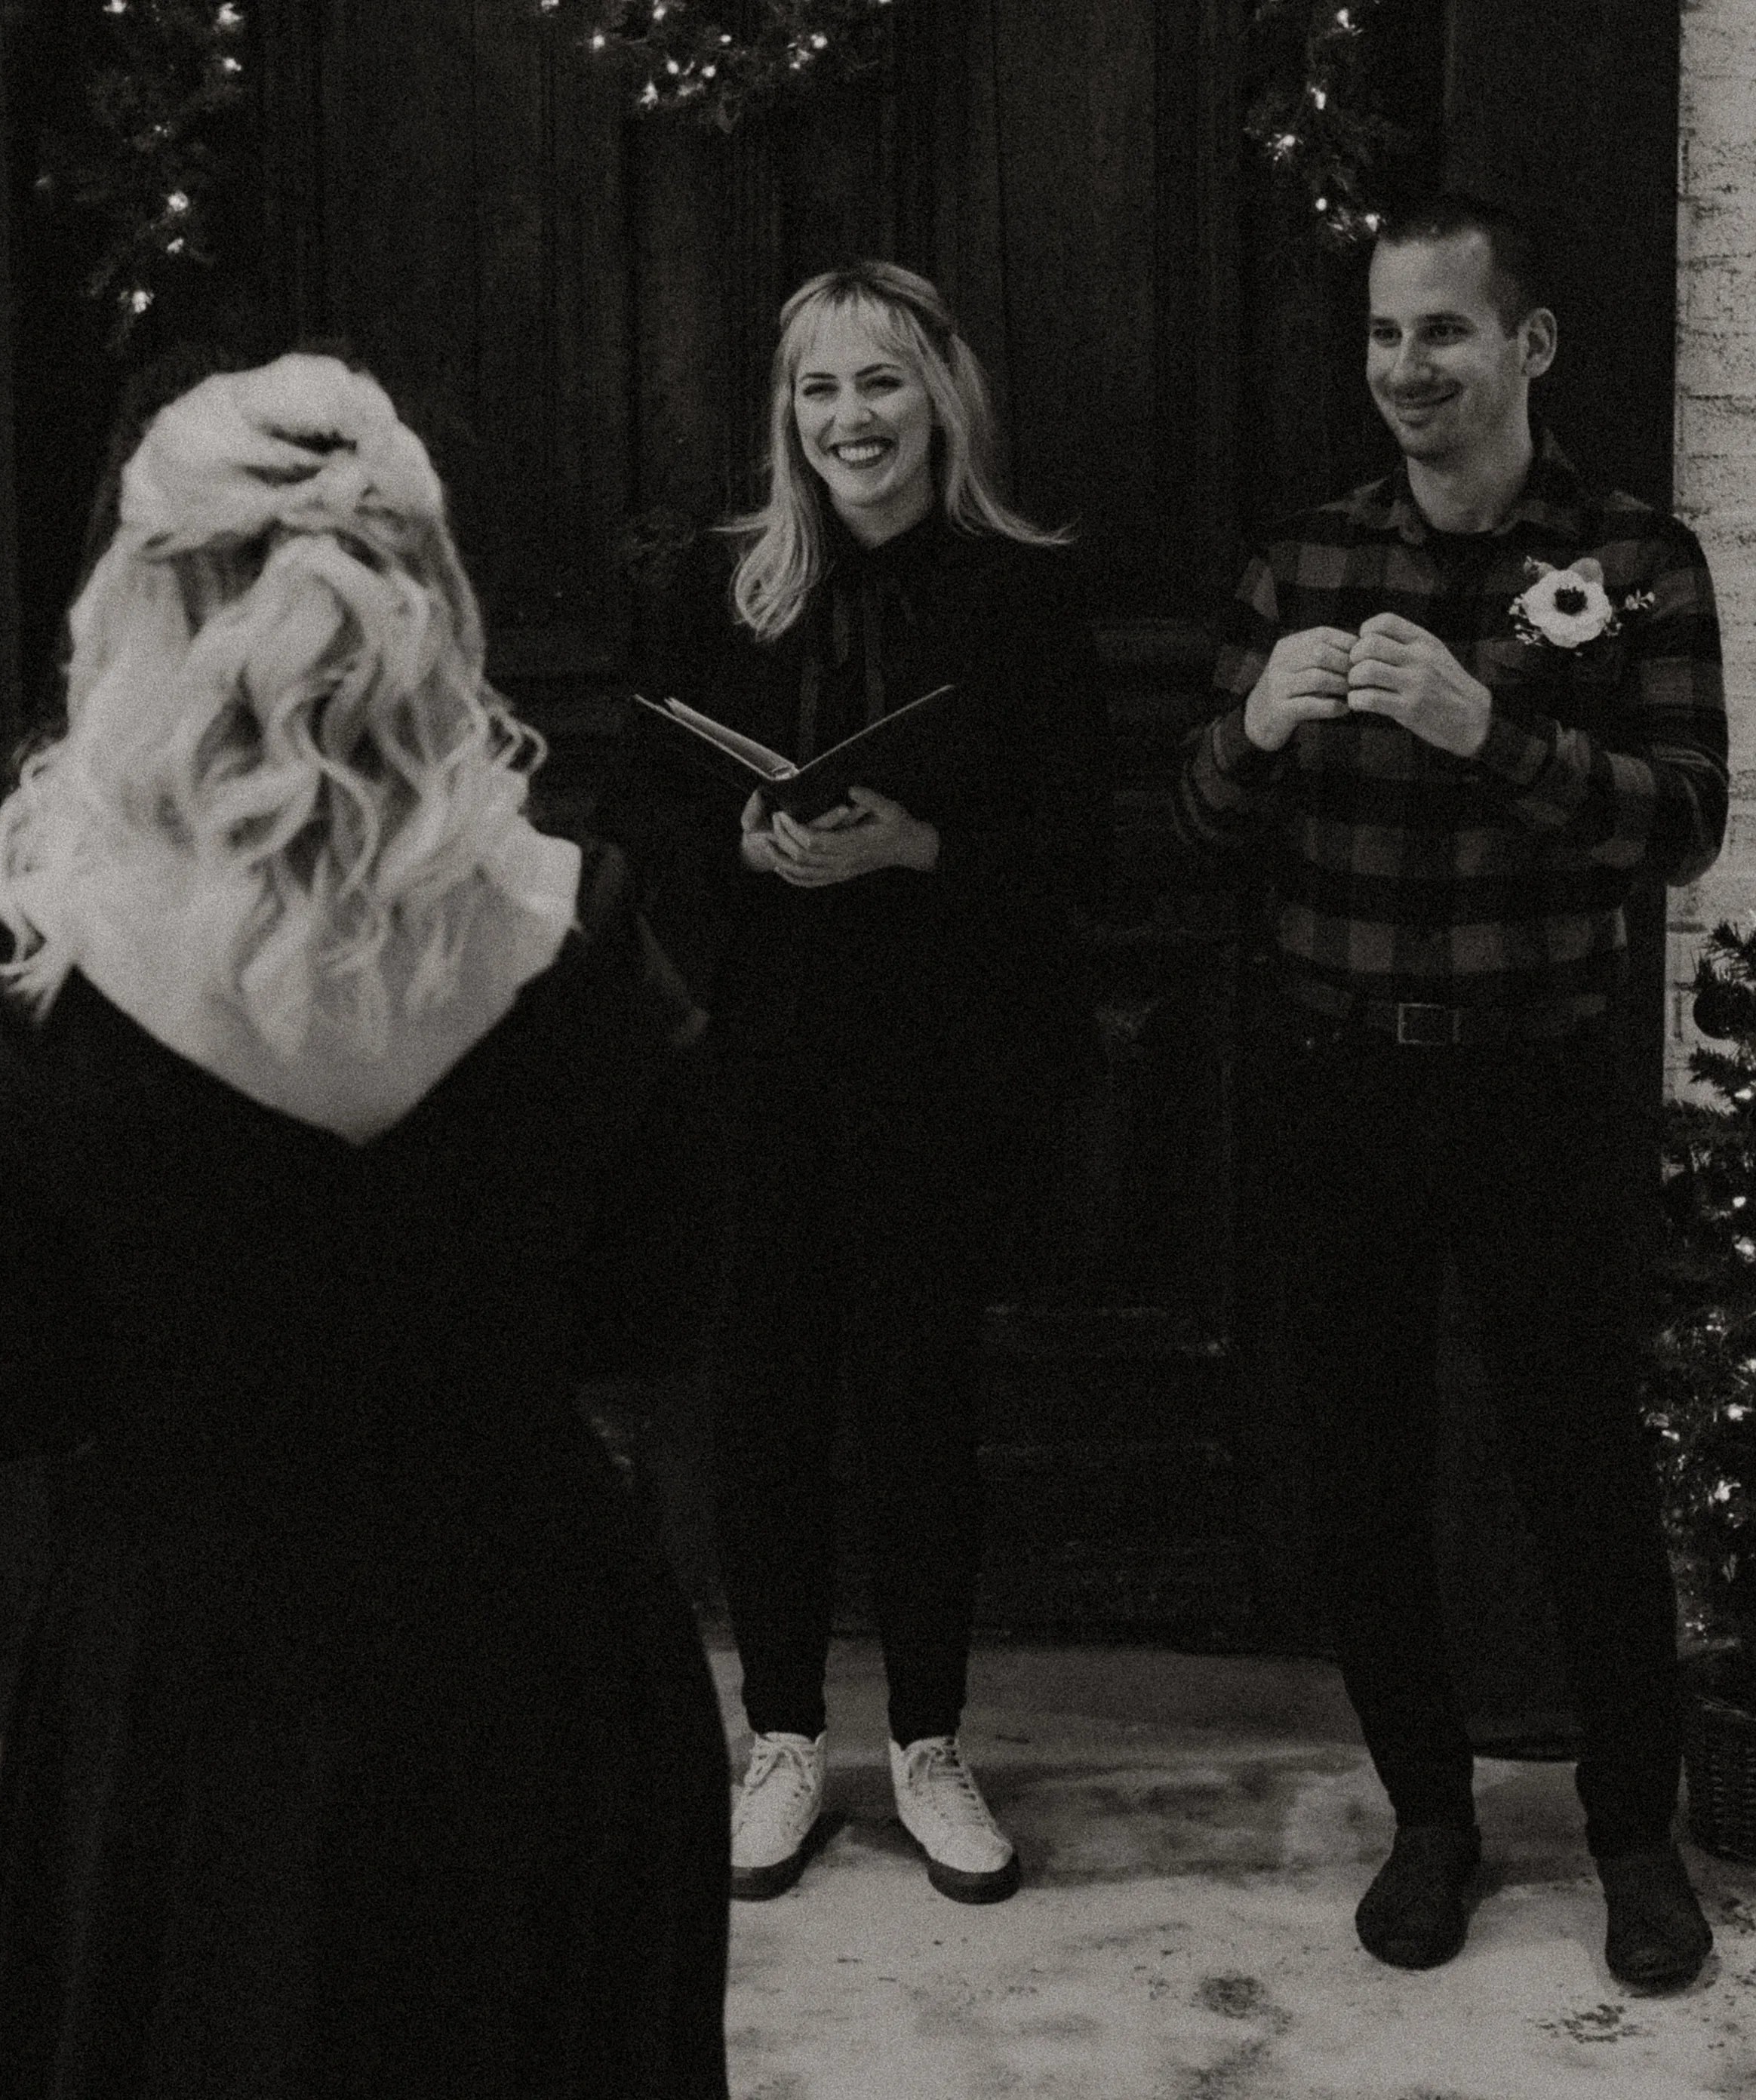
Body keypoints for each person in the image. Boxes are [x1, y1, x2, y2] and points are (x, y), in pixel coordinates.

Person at [0, 352, 730, 2096]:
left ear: (143, 598)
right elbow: (652, 1311)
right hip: (535, 1666)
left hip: (194, 1693)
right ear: (432, 602)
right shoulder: (582, 934)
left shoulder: (31, 961)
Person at [1173, 194, 1730, 1991]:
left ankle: (1636, 1836)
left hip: (1540, 1087)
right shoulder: (1305, 562)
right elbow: (1202, 820)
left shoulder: (1637, 563)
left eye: (1445, 334)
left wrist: (1492, 732)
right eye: (1385, 338)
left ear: (1530, 347)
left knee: (1582, 1468)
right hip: (1339, 1086)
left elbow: (1688, 823)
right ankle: (1430, 1814)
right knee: (1360, 1472)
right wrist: (1250, 732)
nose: (1409, 370)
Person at [596, 262, 1108, 1908]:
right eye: (818, 390)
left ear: (941, 396)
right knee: (758, 1402)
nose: (849, 421)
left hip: (938, 1061)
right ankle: (783, 1739)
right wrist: (738, 842)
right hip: (756, 1055)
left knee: (918, 1407)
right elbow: (645, 824)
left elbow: (1082, 847)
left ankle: (934, 1742)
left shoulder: (1022, 598)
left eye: (880, 384)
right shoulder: (722, 591)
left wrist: (922, 842)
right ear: (786, 415)